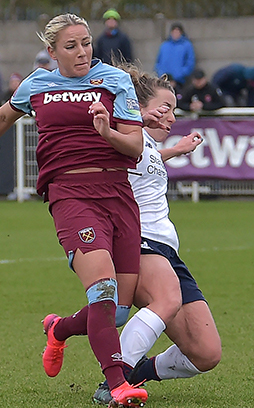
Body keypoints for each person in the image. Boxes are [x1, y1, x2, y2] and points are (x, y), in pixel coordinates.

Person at [0, 13, 148, 407]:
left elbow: (136, 147)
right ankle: (118, 384)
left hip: (118, 195)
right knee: (102, 290)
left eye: (86, 43)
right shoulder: (37, 84)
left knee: (118, 310)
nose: (82, 52)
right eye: (71, 46)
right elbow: (4, 115)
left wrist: (108, 132)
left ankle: (58, 329)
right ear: (52, 52)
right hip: (70, 193)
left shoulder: (114, 80)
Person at [90, 63, 220, 405]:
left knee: (206, 354)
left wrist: (175, 151)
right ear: (137, 106)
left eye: (174, 110)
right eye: (165, 107)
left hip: (167, 250)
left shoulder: (144, 144)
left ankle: (137, 371)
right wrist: (119, 122)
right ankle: (115, 381)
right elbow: (115, 150)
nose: (172, 117)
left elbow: (145, 160)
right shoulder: (122, 135)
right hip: (140, 242)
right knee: (166, 299)